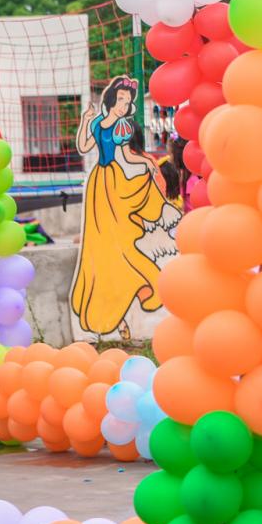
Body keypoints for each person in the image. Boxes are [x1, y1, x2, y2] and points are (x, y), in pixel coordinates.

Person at [69, 76, 179, 335]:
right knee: (101, 243)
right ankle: (112, 315)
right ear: (110, 100)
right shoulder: (98, 123)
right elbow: (85, 145)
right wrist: (85, 121)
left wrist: (149, 165)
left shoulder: (123, 128)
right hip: (100, 184)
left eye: (127, 101)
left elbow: (129, 154)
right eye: (120, 99)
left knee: (121, 243)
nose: (123, 104)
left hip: (117, 179)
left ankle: (130, 301)